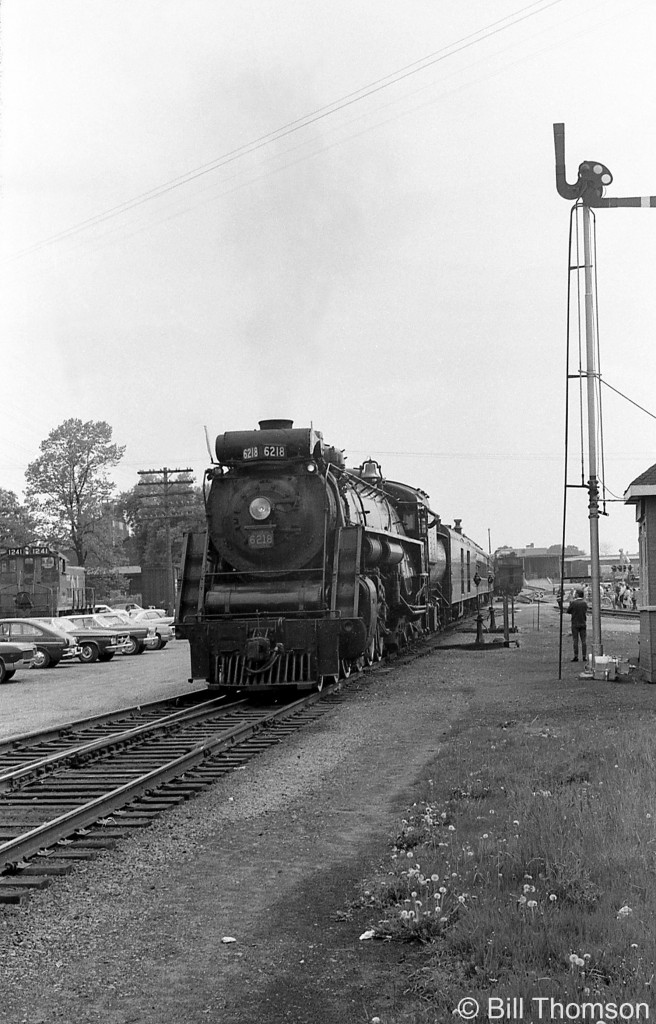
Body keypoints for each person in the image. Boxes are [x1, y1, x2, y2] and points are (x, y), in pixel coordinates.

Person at [566, 588, 588, 663]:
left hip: (575, 623)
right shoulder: (584, 603)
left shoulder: (573, 603)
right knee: (583, 640)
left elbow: (568, 611)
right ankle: (584, 656)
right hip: (583, 622)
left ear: (577, 594)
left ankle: (576, 656)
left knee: (575, 640)